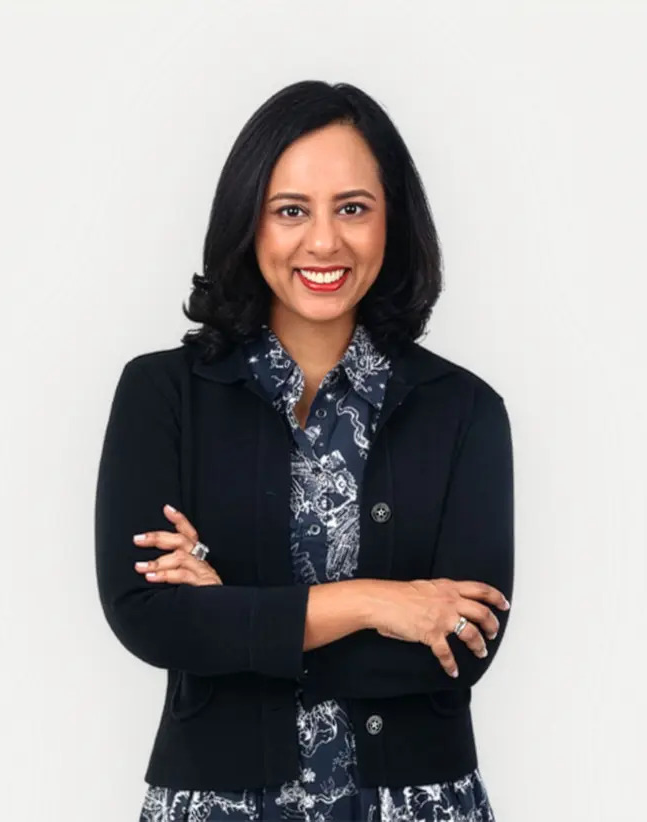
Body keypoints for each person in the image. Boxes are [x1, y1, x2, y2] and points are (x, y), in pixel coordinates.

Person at [95, 80, 514, 821]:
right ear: (247, 221)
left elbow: (461, 644)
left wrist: (233, 617)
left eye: (353, 208)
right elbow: (149, 617)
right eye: (291, 210)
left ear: (393, 222)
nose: (323, 242)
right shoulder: (162, 394)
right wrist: (378, 602)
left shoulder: (465, 410)